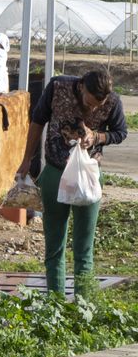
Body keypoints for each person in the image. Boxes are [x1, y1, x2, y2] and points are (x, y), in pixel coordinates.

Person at [16, 69, 126, 298]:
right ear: (82, 86)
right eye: (90, 102)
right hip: (56, 174)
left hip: (88, 178)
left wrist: (97, 137)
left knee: (83, 249)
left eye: (99, 105)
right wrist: (27, 159)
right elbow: (37, 121)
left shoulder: (113, 102)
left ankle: (82, 306)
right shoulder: (57, 87)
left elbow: (120, 132)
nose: (93, 109)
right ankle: (55, 303)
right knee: (55, 246)